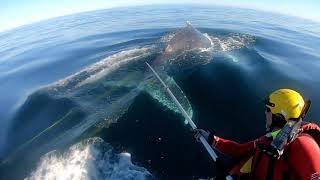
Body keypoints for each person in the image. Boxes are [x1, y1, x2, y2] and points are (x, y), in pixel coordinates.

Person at [194, 89, 320, 180]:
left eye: (268, 110)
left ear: (278, 117)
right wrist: (211, 138)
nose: (265, 113)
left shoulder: (303, 145)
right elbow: (240, 150)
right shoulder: (272, 137)